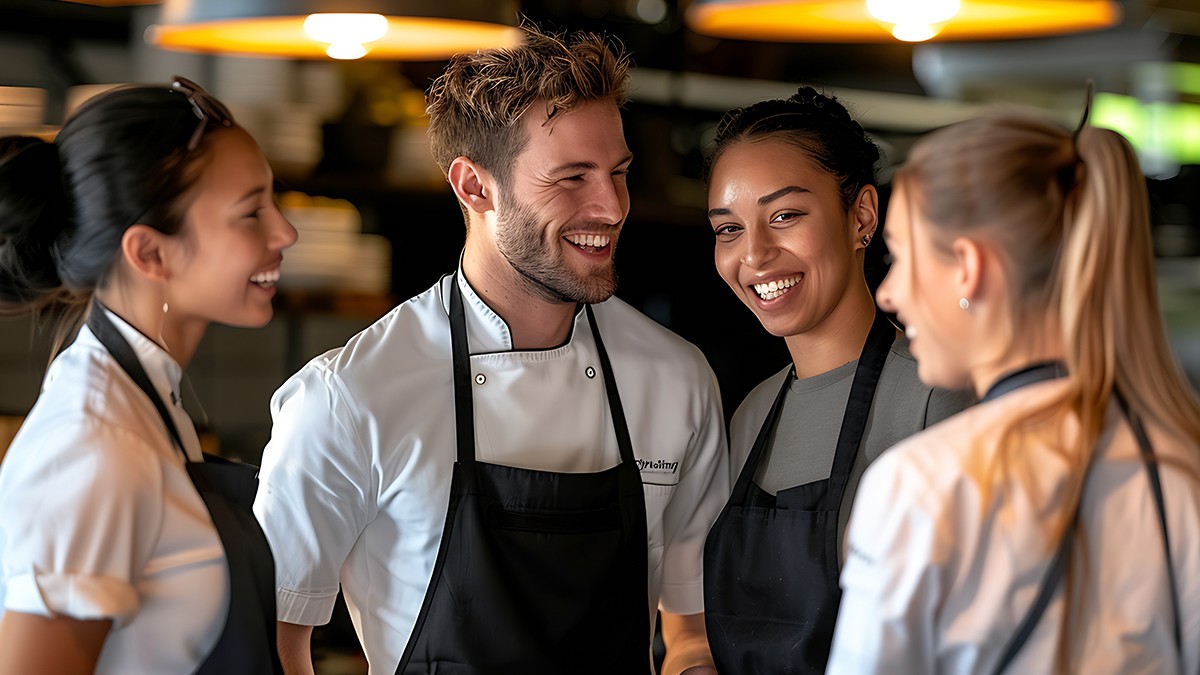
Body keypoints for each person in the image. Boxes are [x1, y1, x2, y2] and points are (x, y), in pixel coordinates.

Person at [253, 25, 728, 675]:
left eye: (618, 173)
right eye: (572, 178)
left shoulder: (675, 379)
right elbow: (272, 645)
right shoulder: (348, 396)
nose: (612, 206)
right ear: (474, 187)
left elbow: (693, 636)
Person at [828, 102, 1200, 673]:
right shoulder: (1182, 468)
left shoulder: (922, 485)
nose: (889, 293)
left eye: (901, 257)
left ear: (969, 269)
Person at [0, 78, 296, 674]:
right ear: (151, 254)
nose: (284, 233)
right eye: (252, 212)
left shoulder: (147, 407)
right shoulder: (90, 449)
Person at [700, 87, 974, 673]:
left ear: (862, 217)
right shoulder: (752, 414)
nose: (754, 255)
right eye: (728, 229)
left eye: (785, 216)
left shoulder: (937, 399)